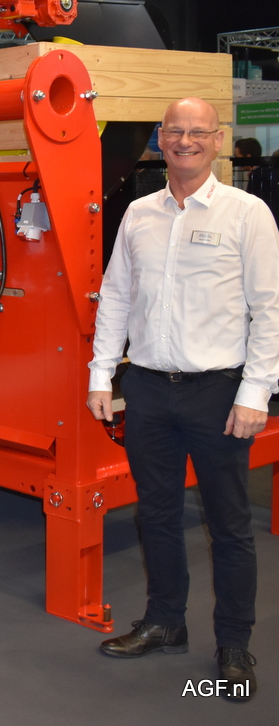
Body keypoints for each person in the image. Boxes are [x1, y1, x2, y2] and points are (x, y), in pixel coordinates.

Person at [86, 97, 279, 702]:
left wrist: (256, 392)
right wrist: (101, 375)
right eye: (175, 131)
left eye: (198, 131)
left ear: (218, 140)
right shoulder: (139, 214)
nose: (185, 141)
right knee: (157, 513)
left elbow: (269, 309)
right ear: (160, 139)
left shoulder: (247, 214)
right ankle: (166, 620)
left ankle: (234, 643)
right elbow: (116, 296)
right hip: (147, 388)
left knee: (229, 525)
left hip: (218, 393)